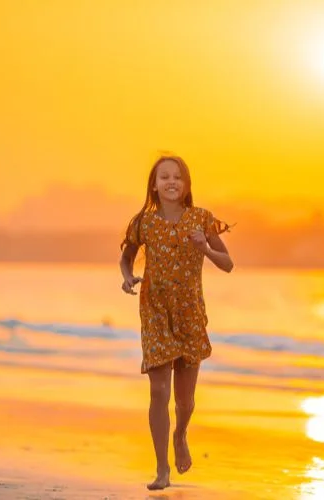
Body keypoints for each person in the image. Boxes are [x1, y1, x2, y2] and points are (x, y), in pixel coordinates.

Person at [119, 155, 233, 490]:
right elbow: (126, 257)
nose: (171, 182)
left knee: (185, 402)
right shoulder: (143, 222)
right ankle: (161, 470)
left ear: (186, 185)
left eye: (178, 177)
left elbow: (228, 264)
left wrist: (206, 248)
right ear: (154, 185)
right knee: (158, 390)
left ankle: (180, 433)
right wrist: (128, 278)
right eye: (164, 177)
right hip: (154, 311)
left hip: (189, 314)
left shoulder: (201, 219)